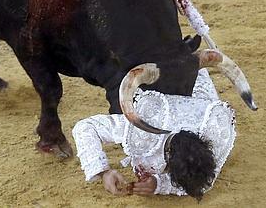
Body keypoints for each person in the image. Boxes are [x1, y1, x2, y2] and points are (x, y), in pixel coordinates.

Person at [72, 69, 236, 201]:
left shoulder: (217, 129)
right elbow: (85, 127)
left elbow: (206, 181)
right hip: (170, 77)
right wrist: (103, 172)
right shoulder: (145, 124)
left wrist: (158, 184)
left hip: (198, 89)